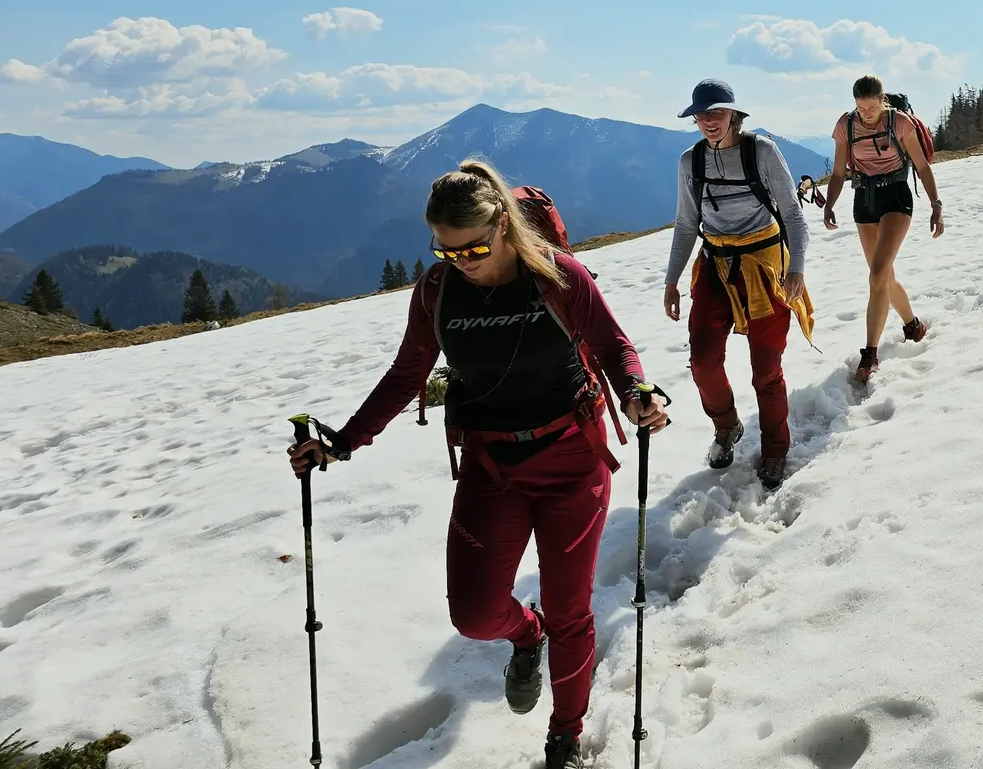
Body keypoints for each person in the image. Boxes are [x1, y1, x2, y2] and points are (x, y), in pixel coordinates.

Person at [286, 160, 669, 769]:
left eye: (474, 248)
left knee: (572, 610)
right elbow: (407, 373)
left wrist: (638, 392)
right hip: (491, 465)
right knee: (474, 614)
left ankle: (564, 733)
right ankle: (526, 633)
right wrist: (343, 441)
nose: (460, 261)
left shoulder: (557, 276)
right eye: (445, 250)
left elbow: (612, 344)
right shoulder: (438, 291)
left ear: (505, 228)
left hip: (573, 457)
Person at [663, 79, 813, 492]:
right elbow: (686, 224)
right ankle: (726, 426)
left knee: (766, 369)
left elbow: (794, 216)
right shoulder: (689, 162)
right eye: (702, 115)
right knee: (702, 360)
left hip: (765, 267)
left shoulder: (761, 151)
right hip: (715, 266)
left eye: (717, 112)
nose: (709, 121)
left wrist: (796, 268)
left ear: (734, 113)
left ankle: (775, 449)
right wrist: (671, 280)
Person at [822, 75, 943, 385]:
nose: (867, 113)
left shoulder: (900, 123)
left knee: (876, 274)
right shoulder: (845, 126)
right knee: (885, 276)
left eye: (872, 107)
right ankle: (912, 325)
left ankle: (870, 353)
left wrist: (935, 205)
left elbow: (922, 166)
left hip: (896, 199)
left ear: (883, 99)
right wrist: (829, 204)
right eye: (861, 108)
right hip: (864, 201)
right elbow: (838, 173)